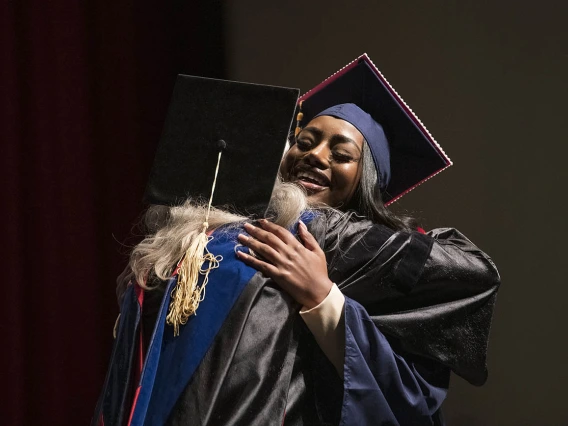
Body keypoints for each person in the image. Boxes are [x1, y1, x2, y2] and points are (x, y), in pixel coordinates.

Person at [93, 55, 500, 426]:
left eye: (341, 155)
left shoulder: (343, 239)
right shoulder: (220, 228)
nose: (316, 155)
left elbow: (473, 274)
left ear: (366, 182)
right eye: (304, 142)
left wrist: (325, 299)